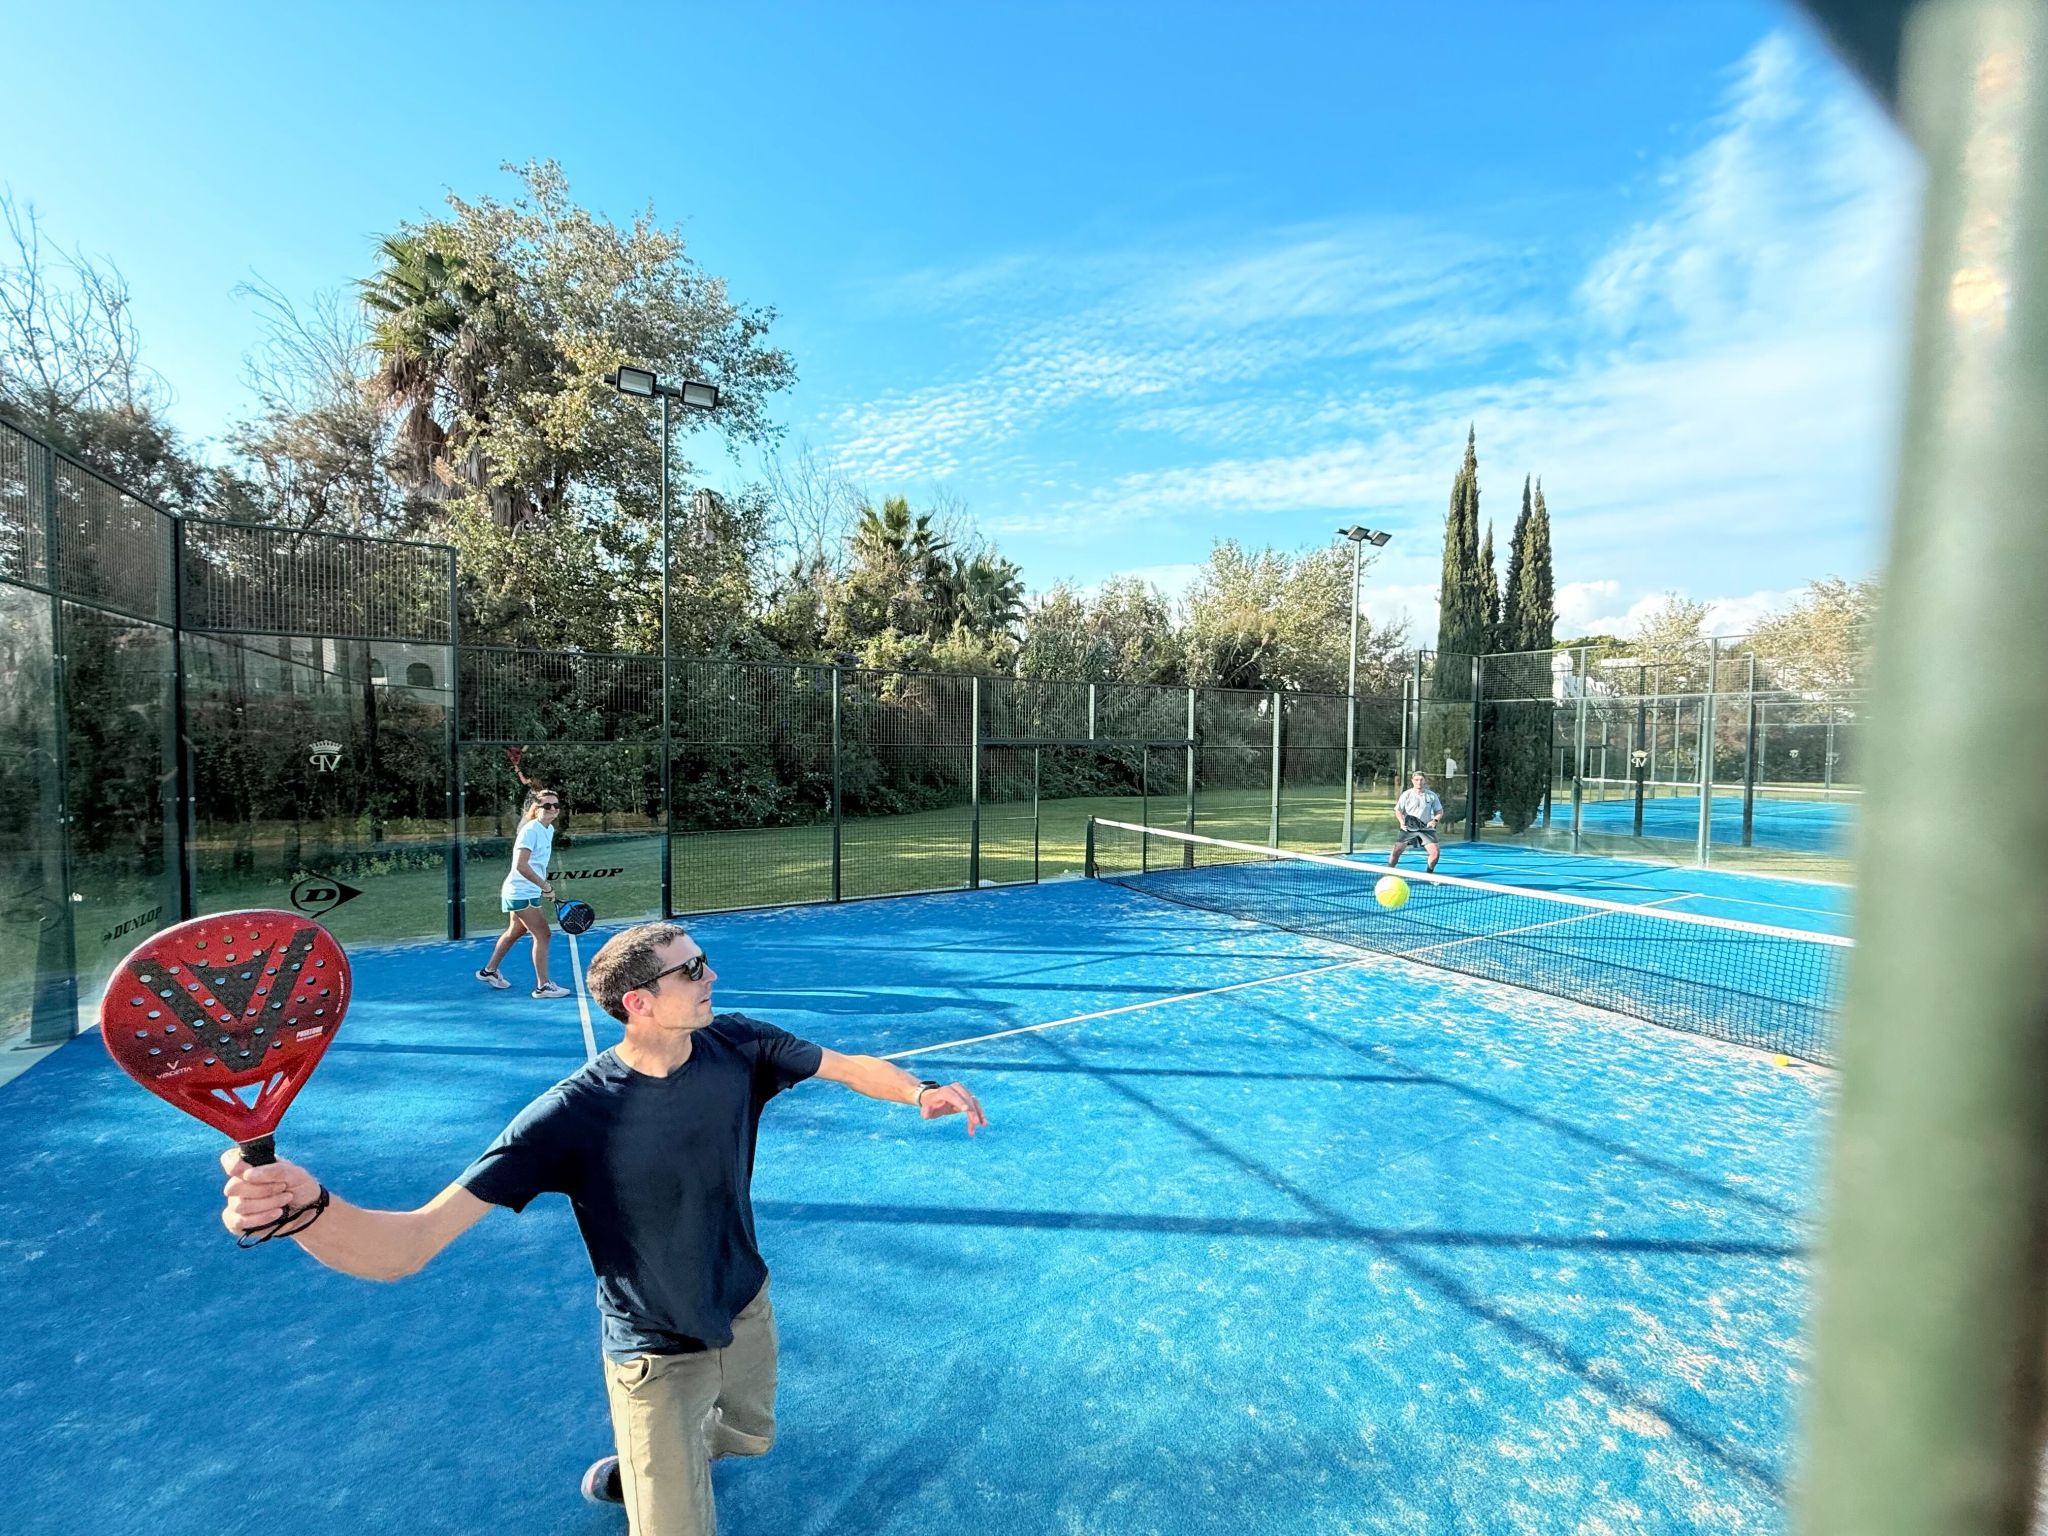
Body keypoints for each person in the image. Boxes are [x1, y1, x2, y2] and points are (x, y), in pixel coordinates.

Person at [220, 921, 986, 1535]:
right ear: (637, 1003)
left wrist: (917, 1091)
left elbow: (849, 1066)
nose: (710, 975)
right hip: (654, 1352)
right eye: (691, 970)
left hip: (744, 1304)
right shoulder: (570, 1116)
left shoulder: (738, 1044)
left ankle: (648, 1467)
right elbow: (407, 1246)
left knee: (751, 1436)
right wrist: (309, 1212)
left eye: (703, 961)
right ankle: (654, 1468)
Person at [478, 787, 569, 998]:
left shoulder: (548, 830)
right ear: (537, 809)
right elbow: (521, 866)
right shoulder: (530, 831)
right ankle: (543, 986)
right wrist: (545, 886)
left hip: (525, 890)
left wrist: (541, 886)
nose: (552, 809)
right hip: (520, 892)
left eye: (555, 805)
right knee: (543, 934)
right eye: (547, 805)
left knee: (515, 931)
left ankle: (488, 971)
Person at [1389, 770, 1443, 873]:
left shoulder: (1432, 795)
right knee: (1396, 851)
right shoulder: (1406, 794)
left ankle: (1429, 873)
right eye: (1416, 780)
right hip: (1409, 826)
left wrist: (1434, 821)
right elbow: (1398, 810)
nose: (1419, 782)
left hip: (1425, 827)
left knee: (1435, 853)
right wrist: (1401, 822)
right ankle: (1389, 872)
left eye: (1421, 780)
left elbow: (1439, 811)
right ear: (1412, 781)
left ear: (1425, 781)